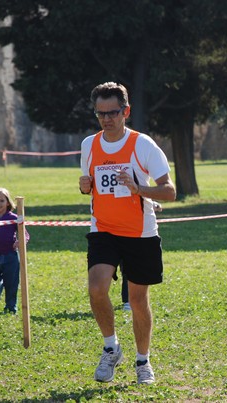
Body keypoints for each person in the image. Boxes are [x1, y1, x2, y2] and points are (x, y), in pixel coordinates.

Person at [79, 82, 176, 385]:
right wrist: (85, 186)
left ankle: (143, 361)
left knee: (137, 300)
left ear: (126, 111)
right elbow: (89, 184)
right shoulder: (89, 145)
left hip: (140, 233)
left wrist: (139, 189)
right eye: (100, 114)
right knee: (97, 288)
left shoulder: (142, 145)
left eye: (112, 113)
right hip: (103, 229)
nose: (106, 119)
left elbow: (170, 191)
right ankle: (111, 348)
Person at [119, 201, 163, 312]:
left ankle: (129, 301)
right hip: (113, 233)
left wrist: (150, 203)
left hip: (136, 235)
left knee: (130, 269)